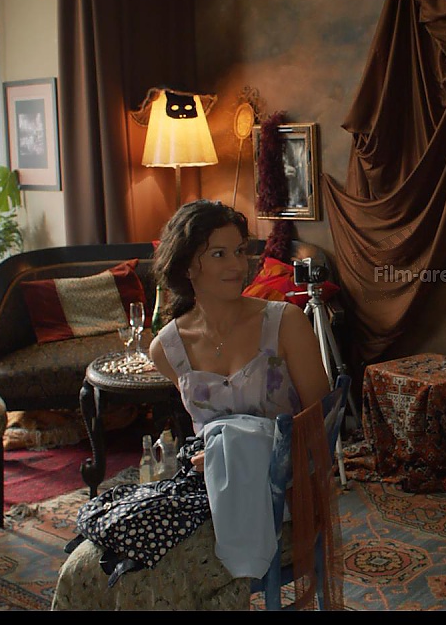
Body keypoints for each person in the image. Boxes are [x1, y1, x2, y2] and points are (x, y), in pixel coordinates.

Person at [59, 200, 331, 594]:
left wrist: (243, 452)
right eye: (219, 254)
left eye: (239, 251)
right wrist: (216, 458)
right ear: (187, 267)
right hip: (208, 494)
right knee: (91, 563)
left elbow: (321, 423)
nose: (237, 265)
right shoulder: (167, 348)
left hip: (284, 498)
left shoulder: (285, 323)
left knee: (155, 573)